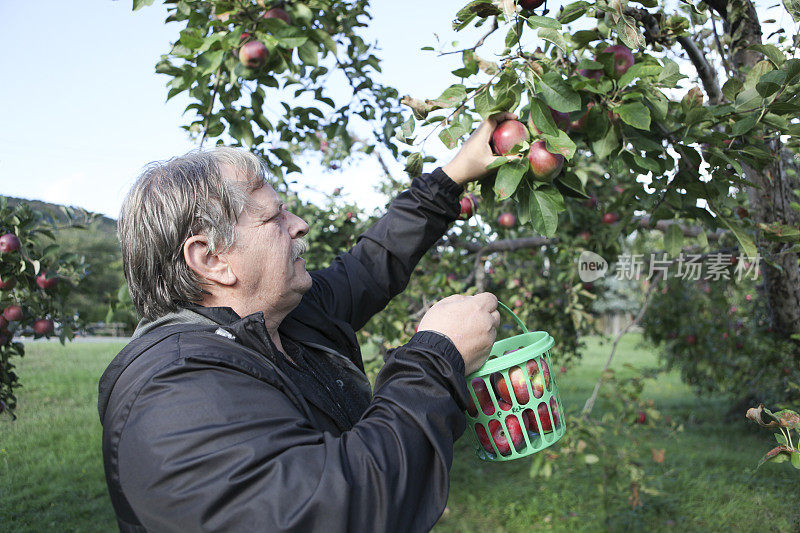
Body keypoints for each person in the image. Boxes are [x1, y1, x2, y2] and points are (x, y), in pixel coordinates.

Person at [98, 113, 514, 532]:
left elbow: (372, 264)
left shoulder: (285, 320)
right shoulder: (176, 393)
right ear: (212, 259)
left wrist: (456, 172)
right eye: (273, 218)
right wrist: (436, 356)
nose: (299, 225)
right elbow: (333, 511)